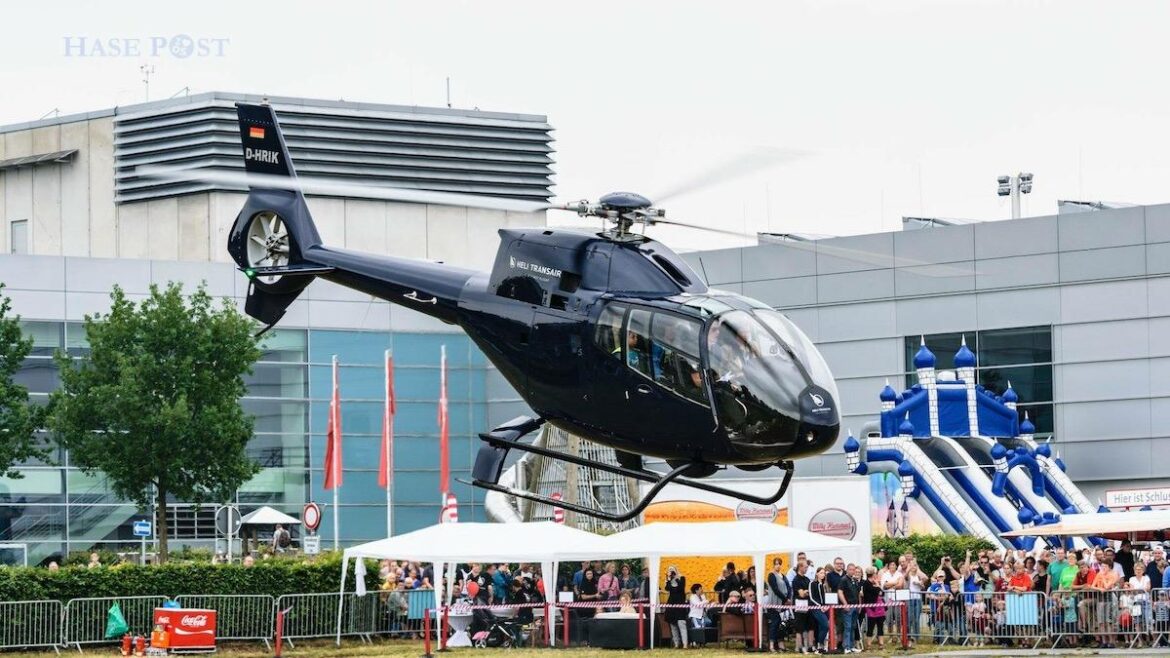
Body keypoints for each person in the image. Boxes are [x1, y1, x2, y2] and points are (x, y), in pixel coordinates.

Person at [766, 557, 792, 652]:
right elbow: (775, 589)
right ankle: (772, 646)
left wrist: (788, 598)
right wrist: (785, 599)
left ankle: (781, 645)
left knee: (782, 625)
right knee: (775, 623)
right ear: (773, 565)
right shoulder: (771, 575)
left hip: (783, 604)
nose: (778, 565)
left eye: (779, 564)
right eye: (776, 564)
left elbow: (789, 587)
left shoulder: (783, 576)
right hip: (774, 604)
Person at [838, 564, 863, 653]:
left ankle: (852, 646)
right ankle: (846, 647)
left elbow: (858, 594)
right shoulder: (843, 580)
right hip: (848, 607)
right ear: (847, 570)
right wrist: (845, 604)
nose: (852, 571)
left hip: (855, 607)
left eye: (853, 570)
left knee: (853, 627)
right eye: (851, 569)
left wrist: (859, 605)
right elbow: (840, 592)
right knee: (847, 627)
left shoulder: (855, 580)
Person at [664, 565, 688, 648]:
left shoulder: (681, 578)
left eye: (672, 570)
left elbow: (681, 588)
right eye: (670, 570)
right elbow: (667, 588)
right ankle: (676, 643)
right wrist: (668, 580)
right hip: (671, 603)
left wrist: (676, 577)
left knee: (681, 623)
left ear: (676, 570)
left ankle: (685, 644)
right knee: (673, 624)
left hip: (680, 603)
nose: (671, 572)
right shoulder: (669, 580)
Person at [862, 567, 886, 649]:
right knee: (870, 626)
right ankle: (868, 644)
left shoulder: (875, 582)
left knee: (880, 625)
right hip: (871, 608)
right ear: (872, 574)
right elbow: (876, 591)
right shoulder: (866, 583)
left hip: (880, 607)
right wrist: (878, 586)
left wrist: (878, 586)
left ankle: (881, 643)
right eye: (875, 573)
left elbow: (882, 593)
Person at [808, 567, 831, 653]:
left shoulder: (825, 585)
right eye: (821, 573)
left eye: (824, 573)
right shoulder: (812, 583)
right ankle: (819, 644)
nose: (823, 574)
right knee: (825, 625)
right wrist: (820, 606)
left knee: (823, 627)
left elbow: (828, 596)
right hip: (816, 609)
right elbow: (811, 597)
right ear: (817, 573)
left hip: (825, 609)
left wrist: (827, 606)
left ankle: (820, 647)